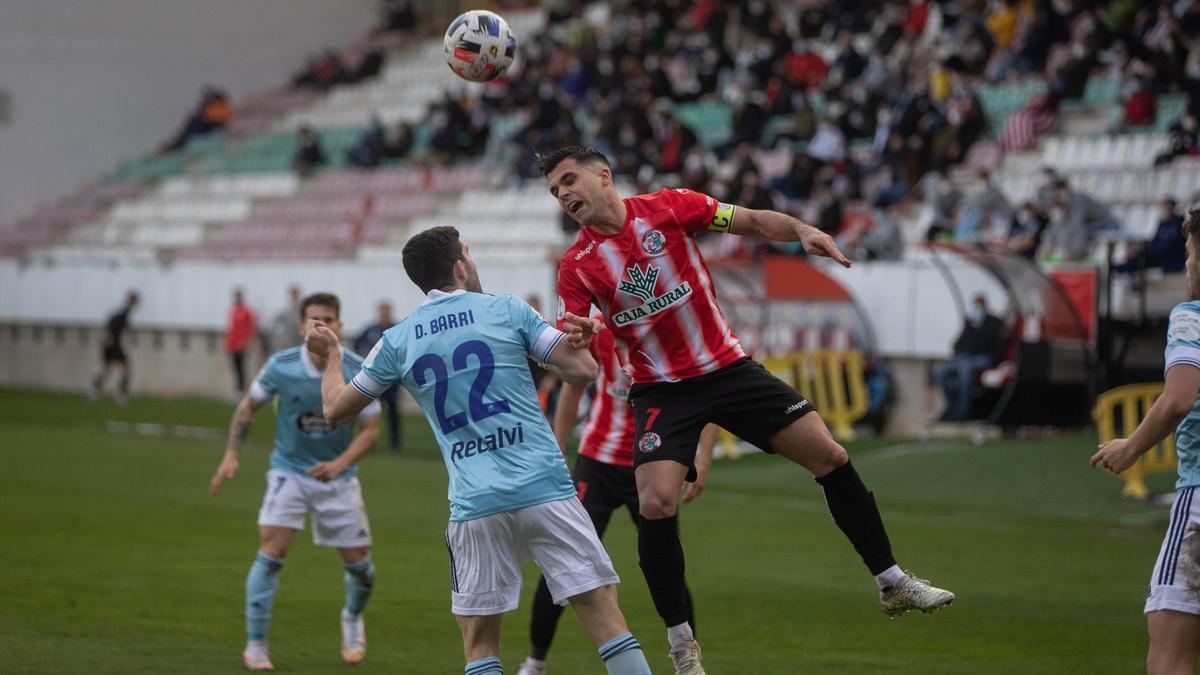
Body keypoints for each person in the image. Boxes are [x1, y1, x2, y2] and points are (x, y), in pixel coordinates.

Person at [540, 146, 954, 674]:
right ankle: (682, 644)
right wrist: (581, 332)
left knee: (829, 454)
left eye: (570, 180)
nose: (565, 194)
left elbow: (753, 221)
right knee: (657, 501)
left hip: (729, 370)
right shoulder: (577, 265)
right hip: (662, 390)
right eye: (555, 190)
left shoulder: (671, 206)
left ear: (604, 176)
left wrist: (802, 229)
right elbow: (574, 345)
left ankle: (891, 581)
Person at [309, 226, 654, 675]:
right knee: (606, 618)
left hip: (476, 505)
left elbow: (336, 411)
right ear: (460, 267)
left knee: (480, 644)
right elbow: (584, 370)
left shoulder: (398, 339)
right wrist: (581, 344)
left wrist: (333, 356)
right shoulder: (507, 308)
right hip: (545, 488)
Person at [515, 314, 717, 675]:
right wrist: (558, 451)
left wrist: (702, 456)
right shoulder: (599, 330)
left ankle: (688, 660)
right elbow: (572, 387)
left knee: (666, 563)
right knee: (562, 560)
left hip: (655, 463)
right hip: (598, 463)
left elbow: (709, 391)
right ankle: (535, 662)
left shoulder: (671, 332)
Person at [208, 292, 383, 671]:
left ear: (339, 326)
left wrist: (339, 463)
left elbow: (371, 430)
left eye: (328, 320)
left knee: (361, 569)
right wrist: (231, 453)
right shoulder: (281, 366)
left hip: (338, 476)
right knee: (271, 554)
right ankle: (256, 645)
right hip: (289, 470)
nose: (320, 326)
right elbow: (247, 407)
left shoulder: (359, 367)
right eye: (312, 319)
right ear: (302, 325)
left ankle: (352, 618)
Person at [1091, 208, 1200, 675]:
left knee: (1169, 651)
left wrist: (1132, 446)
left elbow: (1179, 399)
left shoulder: (1191, 318)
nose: (1187, 264)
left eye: (1190, 253)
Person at [932, 295, 1006, 421]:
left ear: (984, 307)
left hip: (984, 358)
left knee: (965, 368)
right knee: (940, 370)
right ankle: (951, 406)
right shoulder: (969, 323)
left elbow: (992, 346)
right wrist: (960, 351)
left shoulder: (994, 323)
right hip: (964, 358)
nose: (976, 310)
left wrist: (979, 328)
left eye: (978, 307)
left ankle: (963, 410)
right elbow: (957, 343)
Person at [354, 302, 402, 454]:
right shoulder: (370, 330)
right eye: (381, 313)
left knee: (393, 413)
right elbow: (357, 344)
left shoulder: (397, 329)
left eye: (386, 313)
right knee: (370, 413)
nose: (384, 316)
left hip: (392, 381)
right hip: (374, 379)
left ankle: (394, 445)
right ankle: (368, 443)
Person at [88, 291, 139, 406]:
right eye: (135, 301)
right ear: (132, 301)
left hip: (108, 344)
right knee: (126, 369)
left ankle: (94, 390)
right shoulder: (124, 313)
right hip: (113, 344)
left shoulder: (120, 313)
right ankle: (121, 394)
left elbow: (112, 325)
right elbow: (121, 326)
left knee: (107, 369)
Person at [226, 289, 258, 399]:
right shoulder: (233, 311)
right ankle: (238, 390)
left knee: (242, 368)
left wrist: (248, 342)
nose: (237, 299)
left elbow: (251, 328)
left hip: (242, 345)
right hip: (232, 345)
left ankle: (242, 391)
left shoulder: (247, 311)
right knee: (235, 368)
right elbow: (231, 328)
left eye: (238, 297)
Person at [266, 286, 304, 355]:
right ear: (290, 295)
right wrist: (279, 336)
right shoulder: (285, 312)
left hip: (301, 341)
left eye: (296, 294)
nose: (295, 296)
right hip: (288, 343)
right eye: (293, 294)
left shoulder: (303, 310)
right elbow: (273, 323)